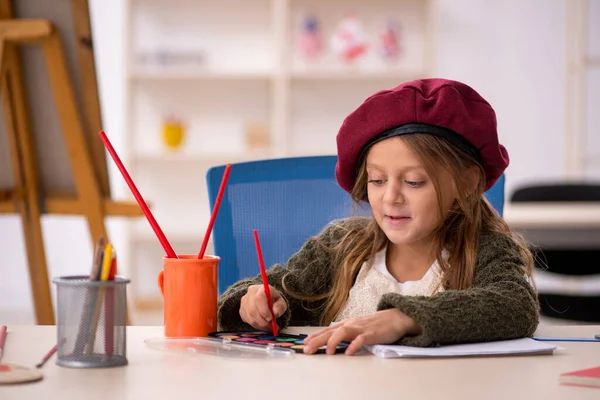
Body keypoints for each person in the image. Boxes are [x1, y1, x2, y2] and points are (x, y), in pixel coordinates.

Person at [217, 78, 540, 355]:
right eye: (377, 180)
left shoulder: (486, 248)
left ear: (467, 184)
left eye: (414, 181)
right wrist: (257, 301)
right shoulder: (341, 245)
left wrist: (402, 318)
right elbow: (264, 289)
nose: (391, 197)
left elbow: (516, 306)